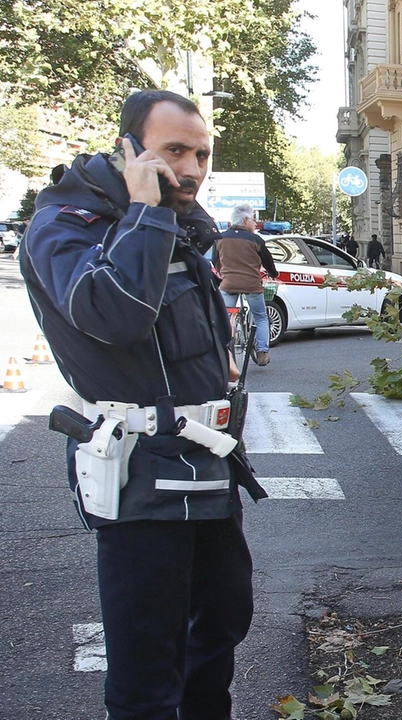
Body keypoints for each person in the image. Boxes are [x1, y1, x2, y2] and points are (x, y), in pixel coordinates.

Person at [19, 89, 263, 720]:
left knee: (224, 619)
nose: (192, 169)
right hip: (138, 476)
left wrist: (220, 361)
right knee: (146, 666)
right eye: (174, 150)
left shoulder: (178, 223)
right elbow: (115, 312)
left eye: (203, 155)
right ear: (129, 149)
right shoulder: (67, 224)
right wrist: (145, 211)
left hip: (207, 462)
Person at [213, 203, 278, 366]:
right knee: (261, 317)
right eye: (253, 220)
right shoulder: (255, 240)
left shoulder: (221, 238)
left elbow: (216, 262)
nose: (255, 223)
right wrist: (273, 274)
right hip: (251, 285)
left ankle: (223, 351)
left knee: (224, 317)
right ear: (245, 220)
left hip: (227, 285)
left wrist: (221, 275)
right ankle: (262, 352)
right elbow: (268, 262)